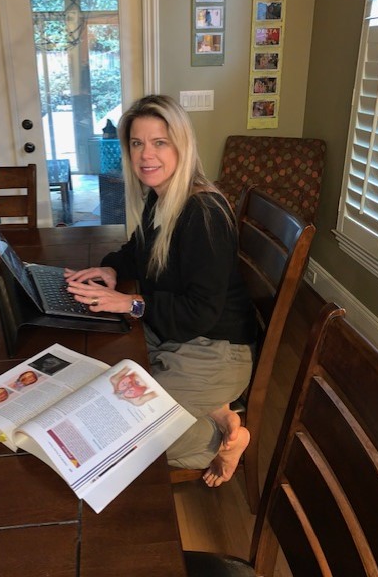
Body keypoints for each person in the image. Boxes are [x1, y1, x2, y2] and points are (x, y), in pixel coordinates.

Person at [64, 94, 257, 488]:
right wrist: (110, 269)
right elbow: (138, 252)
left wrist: (132, 303)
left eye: (159, 142)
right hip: (175, 336)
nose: (146, 155)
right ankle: (218, 411)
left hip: (215, 349)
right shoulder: (162, 197)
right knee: (102, 387)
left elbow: (201, 312)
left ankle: (218, 438)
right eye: (137, 143)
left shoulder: (203, 214)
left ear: (181, 145)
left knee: (116, 435)